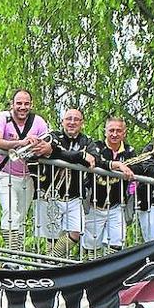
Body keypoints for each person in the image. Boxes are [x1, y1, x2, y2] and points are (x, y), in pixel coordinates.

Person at [0, 89, 51, 257]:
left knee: (21, 218)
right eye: (19, 103)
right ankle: (14, 257)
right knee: (10, 213)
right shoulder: (2, 118)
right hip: (4, 173)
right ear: (12, 104)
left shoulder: (38, 122)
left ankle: (15, 255)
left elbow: (46, 145)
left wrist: (38, 145)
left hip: (27, 177)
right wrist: (20, 143)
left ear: (31, 105)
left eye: (26, 104)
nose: (22, 107)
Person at [32, 108, 95, 258]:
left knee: (76, 232)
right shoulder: (53, 136)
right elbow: (46, 151)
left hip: (74, 195)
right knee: (51, 235)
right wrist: (80, 156)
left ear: (82, 123)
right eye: (68, 119)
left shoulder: (88, 141)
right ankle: (50, 266)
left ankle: (50, 261)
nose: (72, 122)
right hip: (50, 193)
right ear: (62, 121)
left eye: (76, 119)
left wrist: (58, 153)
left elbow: (94, 159)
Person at [82, 117, 136, 256]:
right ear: (105, 131)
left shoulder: (130, 151)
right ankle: (91, 273)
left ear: (124, 133)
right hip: (94, 205)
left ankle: (110, 273)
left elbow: (137, 171)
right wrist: (116, 165)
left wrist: (131, 189)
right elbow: (95, 161)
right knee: (91, 245)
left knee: (117, 242)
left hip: (117, 206)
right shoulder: (97, 146)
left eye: (119, 131)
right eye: (111, 130)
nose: (114, 134)